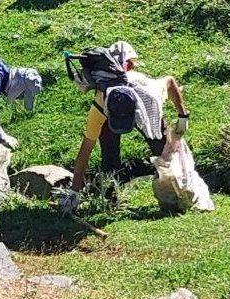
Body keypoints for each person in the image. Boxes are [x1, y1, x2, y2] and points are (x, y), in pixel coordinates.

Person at [62, 41, 189, 212]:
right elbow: (84, 153)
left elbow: (170, 82)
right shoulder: (101, 106)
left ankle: (179, 193)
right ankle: (109, 201)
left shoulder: (148, 94)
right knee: (110, 157)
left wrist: (183, 116)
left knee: (163, 151)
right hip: (110, 115)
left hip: (145, 109)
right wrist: (73, 195)